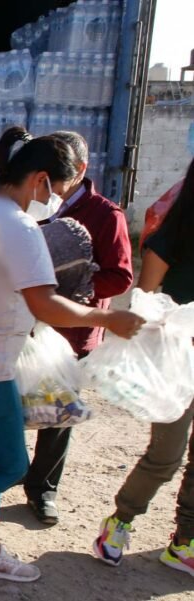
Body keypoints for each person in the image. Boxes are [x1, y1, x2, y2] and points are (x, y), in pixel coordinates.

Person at [0, 127, 144, 586]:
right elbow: (46, 304)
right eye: (60, 189)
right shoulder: (19, 224)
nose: (59, 200)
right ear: (40, 180)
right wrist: (109, 321)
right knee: (8, 464)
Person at [23, 131, 134, 525]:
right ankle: (4, 475)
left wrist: (74, 290)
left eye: (59, 178)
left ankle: (42, 489)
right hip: (29, 325)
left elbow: (120, 277)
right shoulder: (36, 203)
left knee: (58, 416)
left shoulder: (106, 215)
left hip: (72, 334)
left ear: (81, 170)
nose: (50, 187)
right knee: (18, 403)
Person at [92, 157, 194, 577]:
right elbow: (149, 284)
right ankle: (120, 522)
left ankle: (184, 542)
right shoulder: (181, 225)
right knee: (167, 454)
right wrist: (159, 326)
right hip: (179, 352)